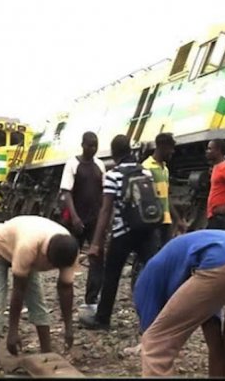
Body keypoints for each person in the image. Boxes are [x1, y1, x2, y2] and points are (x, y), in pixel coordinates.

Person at [135, 230, 225, 377]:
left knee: (155, 344)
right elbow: (209, 317)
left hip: (221, 260)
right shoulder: (176, 262)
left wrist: (148, 337)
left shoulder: (146, 281)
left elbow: (153, 329)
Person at [0, 215, 78, 375]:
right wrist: (13, 331)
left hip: (21, 249)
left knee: (37, 301)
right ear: (46, 256)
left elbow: (65, 288)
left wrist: (69, 328)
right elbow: (18, 291)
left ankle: (47, 353)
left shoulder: (69, 250)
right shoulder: (28, 246)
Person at [80, 134, 159, 330]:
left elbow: (105, 210)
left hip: (123, 232)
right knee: (151, 272)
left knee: (112, 276)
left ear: (114, 154)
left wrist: (96, 243)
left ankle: (102, 319)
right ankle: (154, 320)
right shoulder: (146, 172)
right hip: (146, 230)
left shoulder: (113, 175)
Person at [58, 131, 106, 312]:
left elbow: (103, 192)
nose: (92, 149)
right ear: (83, 145)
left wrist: (103, 216)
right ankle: (64, 292)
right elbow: (66, 192)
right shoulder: (73, 164)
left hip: (95, 220)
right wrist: (75, 217)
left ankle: (92, 297)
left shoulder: (100, 165)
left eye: (95, 145)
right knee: (69, 258)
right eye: (90, 145)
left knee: (97, 258)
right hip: (76, 220)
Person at [141, 133, 186, 247]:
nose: (172, 152)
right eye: (171, 148)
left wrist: (177, 219)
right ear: (162, 147)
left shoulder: (165, 169)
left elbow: (166, 197)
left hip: (166, 222)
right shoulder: (146, 167)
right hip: (153, 222)